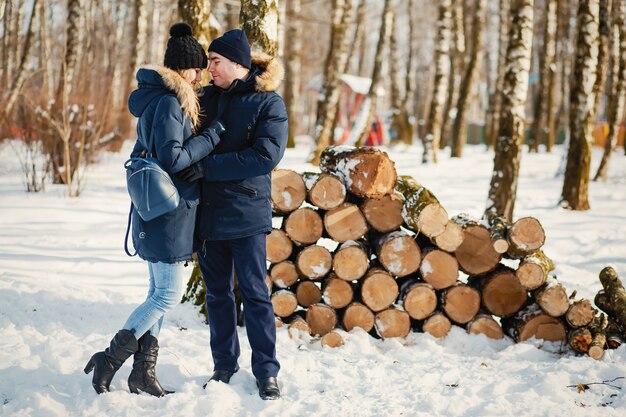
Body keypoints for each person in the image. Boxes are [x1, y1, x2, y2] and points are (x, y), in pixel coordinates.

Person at [84, 22, 225, 397]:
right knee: (166, 296)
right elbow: (173, 158)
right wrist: (211, 137)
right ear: (184, 68)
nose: (201, 76)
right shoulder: (167, 102)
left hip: (165, 209)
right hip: (168, 211)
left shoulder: (163, 99)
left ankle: (143, 374)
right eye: (197, 69)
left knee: (157, 293)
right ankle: (109, 360)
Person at [177, 29, 288, 400]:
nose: (209, 68)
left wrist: (208, 167)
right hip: (207, 217)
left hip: (246, 214)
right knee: (218, 296)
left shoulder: (267, 102)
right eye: (208, 61)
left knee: (256, 294)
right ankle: (224, 365)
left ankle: (267, 372)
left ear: (238, 64)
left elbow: (265, 156)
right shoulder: (203, 99)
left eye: (215, 61)